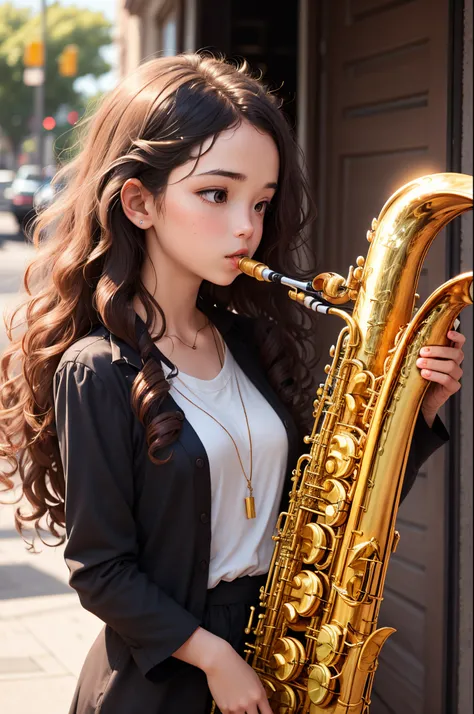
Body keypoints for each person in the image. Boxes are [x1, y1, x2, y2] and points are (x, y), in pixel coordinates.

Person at [0, 53, 466, 714]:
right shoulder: (97, 369)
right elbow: (100, 570)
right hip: (164, 682)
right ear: (139, 201)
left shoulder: (248, 340)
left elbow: (329, 502)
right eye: (216, 194)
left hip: (275, 652)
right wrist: (215, 658)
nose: (247, 226)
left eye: (261, 201)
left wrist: (416, 413)